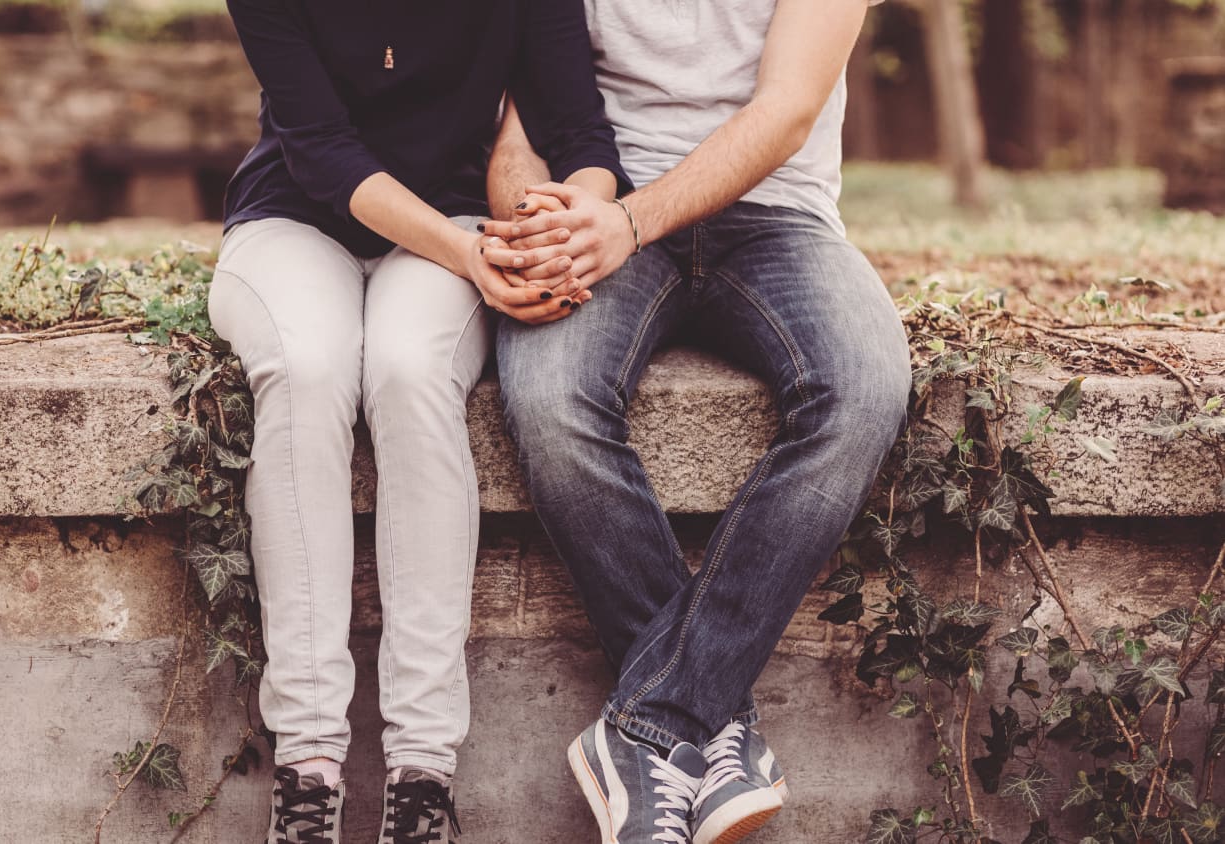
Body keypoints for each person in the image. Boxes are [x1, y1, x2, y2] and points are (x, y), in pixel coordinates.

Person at [480, 1, 908, 842]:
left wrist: (631, 224)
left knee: (863, 389)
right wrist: (537, 222)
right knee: (549, 399)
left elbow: (786, 112)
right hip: (602, 204)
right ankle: (712, 726)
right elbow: (521, 126)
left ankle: (651, 725)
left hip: (775, 218)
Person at [208, 1, 625, 841]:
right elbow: (322, 153)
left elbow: (582, 134)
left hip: (458, 223)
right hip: (293, 219)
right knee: (307, 367)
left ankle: (424, 774)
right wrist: (466, 251)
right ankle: (309, 766)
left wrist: (574, 224)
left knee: (409, 371)